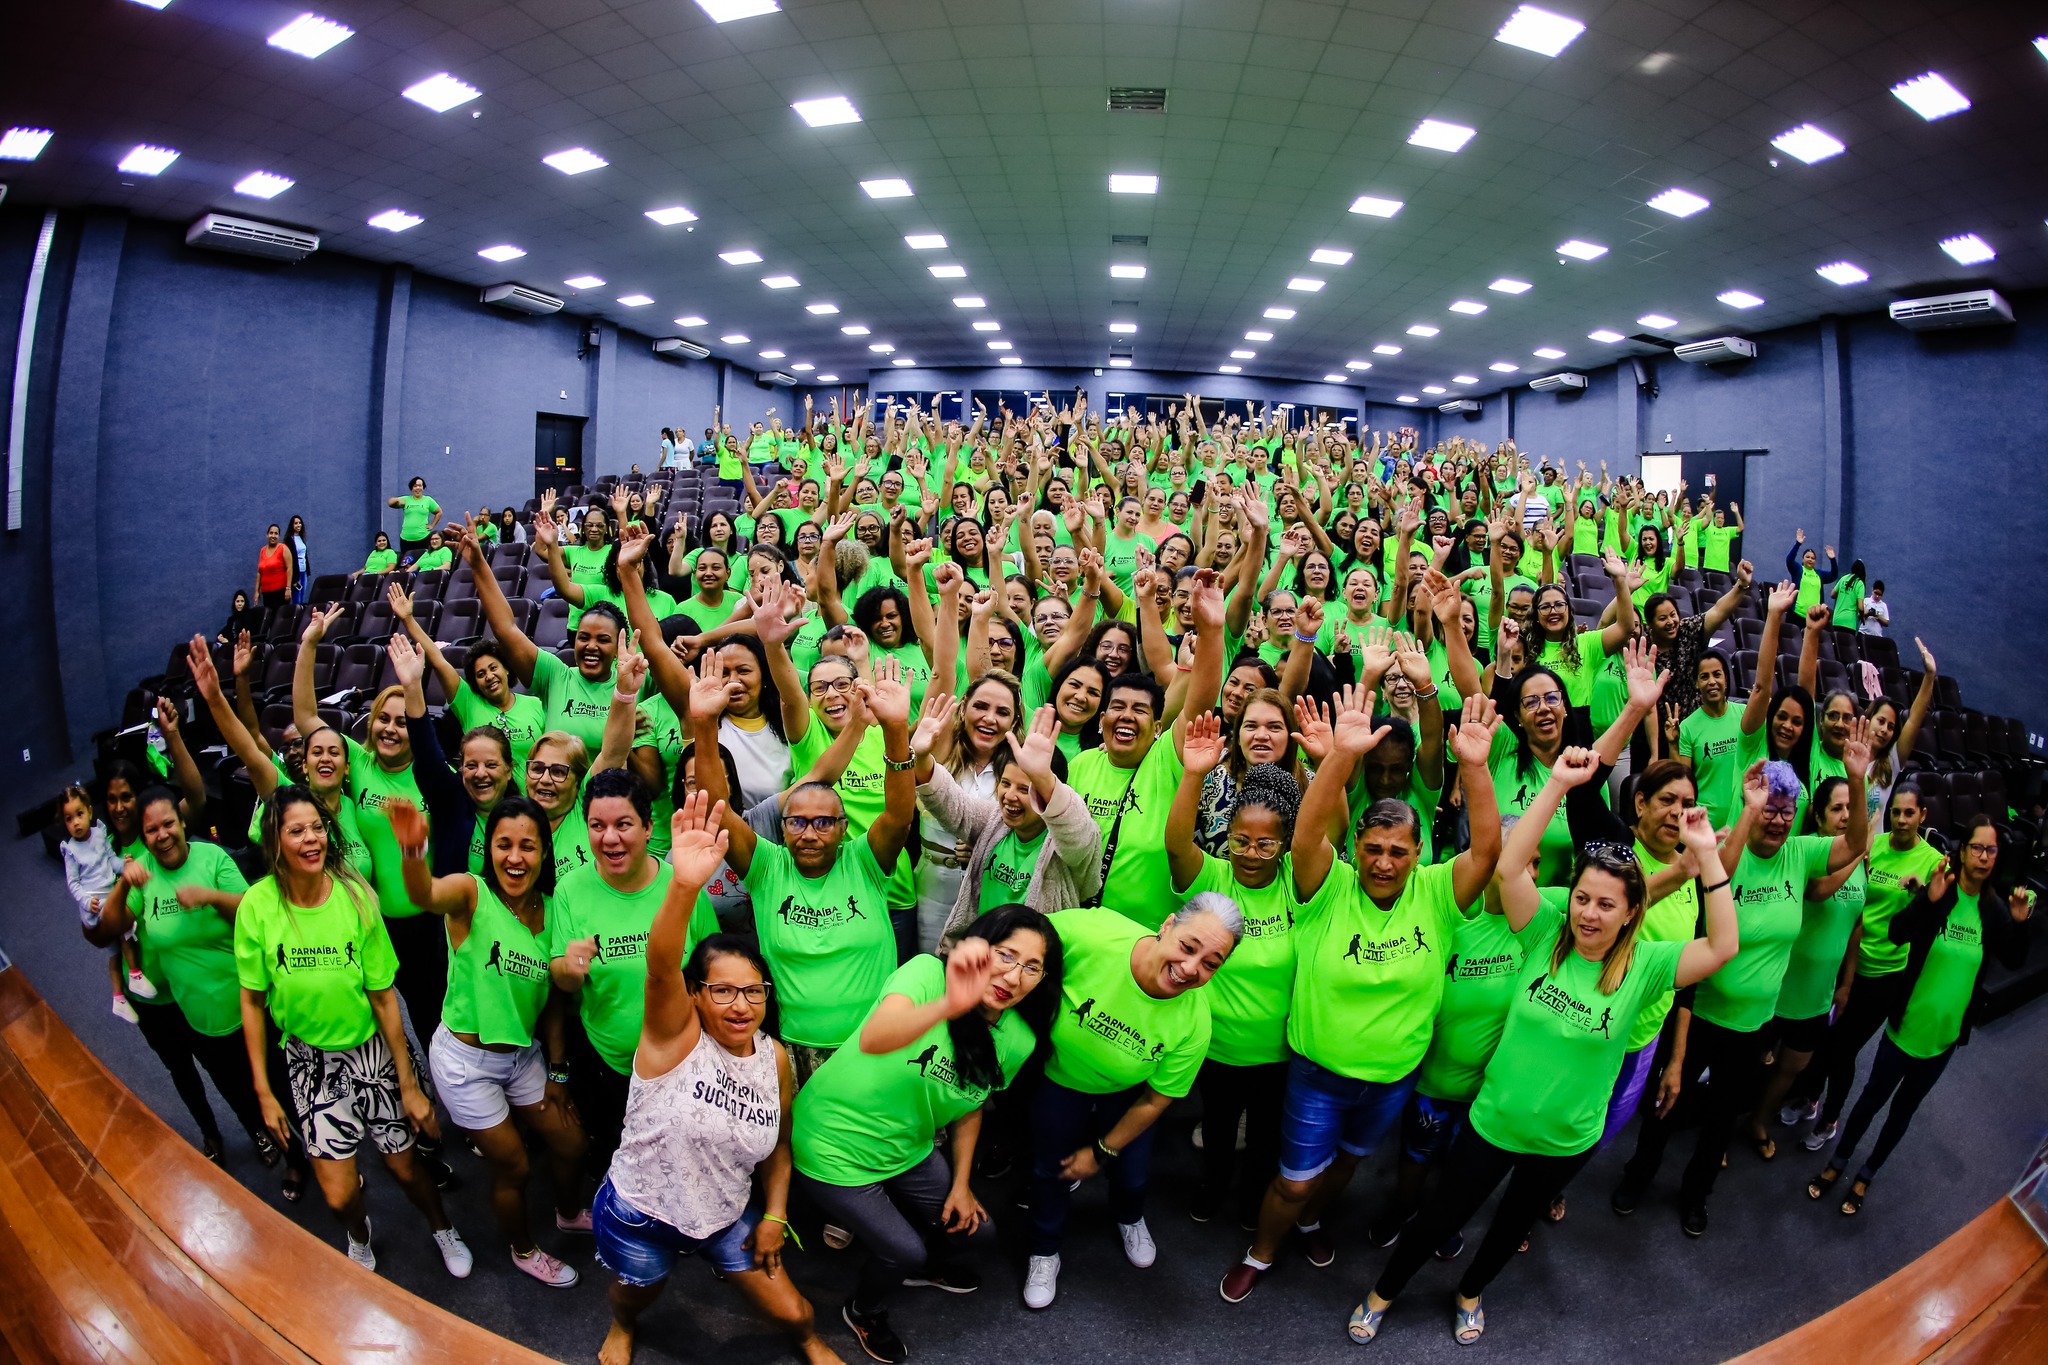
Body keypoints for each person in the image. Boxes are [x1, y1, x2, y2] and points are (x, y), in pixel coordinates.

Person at [1352, 755, 1737, 1345]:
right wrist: (1557, 783)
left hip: (1567, 1137)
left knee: (1510, 1226)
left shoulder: (1647, 966)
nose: (1590, 914)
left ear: (1632, 911)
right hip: (1495, 1120)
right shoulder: (1542, 934)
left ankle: (1471, 1291)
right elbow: (1509, 867)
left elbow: (1722, 947)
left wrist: (1706, 855)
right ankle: (1384, 1292)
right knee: (1440, 1217)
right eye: (1583, 898)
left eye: (1607, 905)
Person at [1220, 692, 1501, 1304]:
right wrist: (1340, 758)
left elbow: (1485, 852)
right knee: (1294, 1181)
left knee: (1345, 1165)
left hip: (1393, 1077)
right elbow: (1307, 837)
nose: (1383, 860)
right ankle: (1261, 1251)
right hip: (1318, 1074)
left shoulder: (1436, 894)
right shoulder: (1327, 887)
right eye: (1373, 848)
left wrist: (1474, 769)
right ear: (1356, 851)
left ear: (1419, 852)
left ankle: (1314, 1223)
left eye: (1398, 850)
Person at [590, 796, 841, 1365]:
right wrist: (683, 887)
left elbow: (778, 1145)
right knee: (636, 1296)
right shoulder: (672, 1038)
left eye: (753, 991)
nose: (739, 1005)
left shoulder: (772, 1057)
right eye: (722, 990)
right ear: (696, 994)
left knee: (797, 1315)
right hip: (641, 1214)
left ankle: (811, 1343)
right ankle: (622, 1326)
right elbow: (659, 966)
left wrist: (775, 1213)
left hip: (726, 1216)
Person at [1615, 743, 1868, 1236]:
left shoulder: (1800, 854)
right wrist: (1749, 809)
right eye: (1769, 810)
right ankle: (1637, 1176)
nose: (1777, 821)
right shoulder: (1731, 847)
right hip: (1701, 1011)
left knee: (1721, 1118)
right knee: (1668, 1103)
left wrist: (1856, 780)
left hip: (1755, 1023)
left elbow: (1856, 843)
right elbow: (1719, 874)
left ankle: (1696, 1194)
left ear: (1798, 818)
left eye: (1785, 813)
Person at [793, 908, 1062, 1362]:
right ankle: (864, 1309)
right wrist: (950, 1004)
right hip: (831, 1143)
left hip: (908, 1147)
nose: (1013, 977)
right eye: (1005, 955)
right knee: (904, 1252)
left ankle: (918, 1263)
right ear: (978, 949)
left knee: (979, 1233)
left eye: (1031, 967)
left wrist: (961, 1185)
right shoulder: (926, 975)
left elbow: (972, 1106)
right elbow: (875, 1038)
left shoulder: (1018, 1039)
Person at [233, 787, 470, 1276]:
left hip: (370, 1052)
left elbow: (385, 997)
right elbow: (252, 1002)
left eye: (317, 827)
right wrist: (263, 1090)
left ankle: (442, 1227)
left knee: (405, 1168)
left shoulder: (358, 896)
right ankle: (359, 1238)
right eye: (296, 831)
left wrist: (408, 1082)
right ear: (275, 840)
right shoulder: (255, 906)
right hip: (309, 1061)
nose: (311, 838)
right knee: (340, 1196)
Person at [690, 654, 918, 1082]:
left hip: (873, 1046)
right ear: (783, 826)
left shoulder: (864, 862)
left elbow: (900, 816)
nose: (809, 833)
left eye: (823, 822)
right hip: (794, 1053)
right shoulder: (766, 868)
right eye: (796, 821)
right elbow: (719, 812)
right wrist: (704, 724)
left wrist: (894, 729)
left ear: (842, 827)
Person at [392, 796, 589, 1285]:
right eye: (504, 845)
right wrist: (414, 854)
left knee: (572, 1143)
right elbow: (424, 895)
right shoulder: (471, 894)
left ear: (545, 852)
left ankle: (568, 1213)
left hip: (524, 1057)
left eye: (528, 846)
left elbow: (554, 1006)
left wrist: (560, 1072)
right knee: (516, 1167)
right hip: (466, 1064)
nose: (515, 857)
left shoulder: (554, 909)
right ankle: (524, 1249)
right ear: (490, 848)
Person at [1025, 895, 1241, 1309]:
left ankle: (1129, 1217)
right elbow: (1019, 940)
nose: (1191, 968)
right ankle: (1043, 1249)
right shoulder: (1095, 933)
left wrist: (1101, 1151)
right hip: (1059, 1076)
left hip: (1128, 1093)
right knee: (1049, 1171)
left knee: (1133, 1174)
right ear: (1167, 925)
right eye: (1188, 945)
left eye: (1211, 963)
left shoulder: (1194, 1023)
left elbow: (1156, 1100)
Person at [1808, 820, 2033, 1214]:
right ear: (1962, 853)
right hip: (1903, 1028)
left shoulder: (1993, 911)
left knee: (1902, 1113)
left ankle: (1866, 1175)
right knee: (1870, 1101)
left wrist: (2018, 923)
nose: (1983, 857)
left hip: (1942, 1041)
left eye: (1991, 851)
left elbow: (2013, 960)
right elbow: (1897, 932)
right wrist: (1927, 900)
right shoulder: (1940, 893)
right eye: (1977, 848)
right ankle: (1837, 1163)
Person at [87, 787, 307, 1185]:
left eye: (169, 824)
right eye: (151, 830)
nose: (162, 835)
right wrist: (122, 885)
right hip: (200, 1023)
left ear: (182, 823)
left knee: (284, 1088)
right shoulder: (143, 880)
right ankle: (295, 1158)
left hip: (252, 1008)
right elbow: (107, 931)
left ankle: (325, 1156)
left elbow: (251, 910)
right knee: (241, 1096)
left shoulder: (212, 857)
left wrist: (208, 895)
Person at [1166, 719, 1303, 1229]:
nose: (1251, 854)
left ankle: (1252, 1200)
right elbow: (1178, 846)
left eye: (1266, 845)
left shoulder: (1300, 885)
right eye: (1240, 841)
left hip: (1277, 1052)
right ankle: (1213, 1184)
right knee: (1219, 1129)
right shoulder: (1215, 878)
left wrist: (1331, 762)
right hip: (1216, 1046)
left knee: (1267, 1138)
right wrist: (1193, 776)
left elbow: (1324, 832)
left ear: (1285, 846)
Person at [548, 767, 720, 1174]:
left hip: (682, 1063)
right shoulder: (571, 888)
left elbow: (712, 967)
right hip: (609, 1065)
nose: (610, 838)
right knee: (622, 1156)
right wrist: (571, 968)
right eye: (597, 825)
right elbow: (561, 974)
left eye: (623, 824)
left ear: (647, 827)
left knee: (683, 1158)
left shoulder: (680, 885)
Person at [1791, 783, 1945, 1149]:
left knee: (1844, 1050)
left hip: (1884, 975)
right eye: (1896, 812)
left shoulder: (1933, 861)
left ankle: (1829, 1118)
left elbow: (1937, 921)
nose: (1902, 820)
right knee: (1826, 1040)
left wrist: (1922, 895)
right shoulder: (1872, 845)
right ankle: (1810, 1098)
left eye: (1910, 813)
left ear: (1923, 816)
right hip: (1848, 961)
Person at [913, 699, 1102, 945]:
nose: (1010, 796)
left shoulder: (1066, 846)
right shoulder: (995, 823)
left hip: (1030, 966)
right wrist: (922, 757)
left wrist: (1043, 777)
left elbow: (1078, 830)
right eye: (1005, 783)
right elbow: (953, 804)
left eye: (1025, 788)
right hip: (981, 956)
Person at [1751, 776, 1867, 1155]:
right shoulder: (1806, 854)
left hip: (1817, 996)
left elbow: (1855, 926)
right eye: (1837, 808)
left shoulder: (1860, 861)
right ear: (1818, 816)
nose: (1846, 815)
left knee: (1790, 1070)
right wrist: (1856, 853)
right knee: (1749, 1066)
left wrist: (1847, 982)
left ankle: (1758, 1121)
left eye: (1852, 808)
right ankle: (1723, 1126)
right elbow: (1818, 892)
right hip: (1778, 988)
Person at [59, 783, 151, 1023]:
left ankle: (119, 996)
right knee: (123, 934)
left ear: (90, 811)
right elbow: (73, 883)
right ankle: (134, 975)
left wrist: (125, 863)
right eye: (69, 819)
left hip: (110, 894)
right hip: (96, 905)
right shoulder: (71, 851)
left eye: (79, 814)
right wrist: (86, 900)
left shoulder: (100, 834)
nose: (76, 823)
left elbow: (111, 861)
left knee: (115, 952)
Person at [389, 475, 442, 562]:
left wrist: (432, 525)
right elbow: (390, 503)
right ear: (411, 488)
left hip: (422, 537)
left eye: (420, 485)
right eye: (415, 486)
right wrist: (396, 500)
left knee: (422, 562)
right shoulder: (406, 499)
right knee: (407, 563)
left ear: (423, 487)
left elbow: (439, 512)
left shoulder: (428, 500)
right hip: (406, 538)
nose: (418, 488)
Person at [255, 524, 293, 609]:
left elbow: (289, 568)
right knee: (269, 618)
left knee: (279, 619)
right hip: (266, 594)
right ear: (267, 535)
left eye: (276, 533)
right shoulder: (262, 550)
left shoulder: (283, 548)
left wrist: (288, 588)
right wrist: (257, 592)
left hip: (280, 593)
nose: (273, 536)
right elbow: (259, 572)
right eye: (271, 533)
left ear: (279, 536)